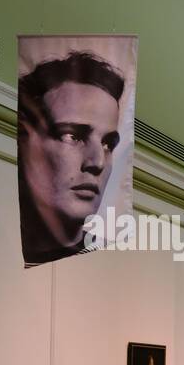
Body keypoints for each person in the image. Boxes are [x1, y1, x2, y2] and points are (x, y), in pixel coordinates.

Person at [17, 50, 127, 266]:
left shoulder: (110, 264)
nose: (97, 162)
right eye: (72, 136)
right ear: (24, 138)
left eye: (108, 144)